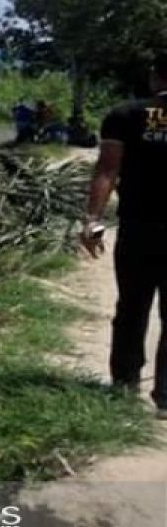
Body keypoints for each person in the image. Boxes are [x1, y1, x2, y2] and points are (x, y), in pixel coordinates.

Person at [82, 52, 167, 415]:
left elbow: (107, 170)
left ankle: (125, 385)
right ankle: (165, 398)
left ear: (154, 78)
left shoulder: (124, 115)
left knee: (132, 306)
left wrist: (92, 220)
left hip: (138, 226)